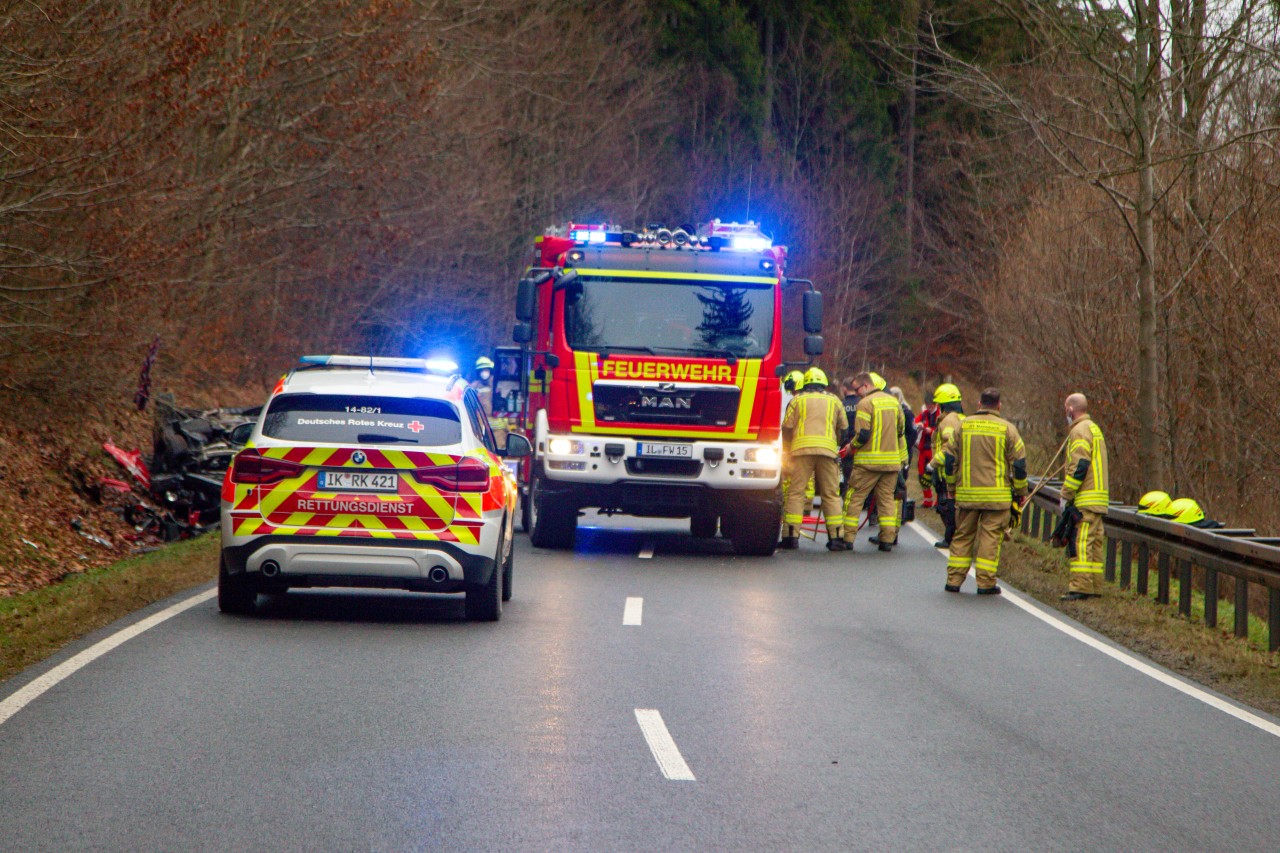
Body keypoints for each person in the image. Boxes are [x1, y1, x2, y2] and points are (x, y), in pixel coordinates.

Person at [944, 387, 1027, 594]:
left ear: (979, 404)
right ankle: (985, 583)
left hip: (967, 495)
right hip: (996, 498)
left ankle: (953, 581)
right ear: (999, 406)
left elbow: (949, 459)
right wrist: (1020, 492)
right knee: (990, 539)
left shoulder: (962, 426)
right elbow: (1019, 465)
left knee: (963, 536)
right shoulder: (1008, 429)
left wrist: (951, 487)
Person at [780, 367, 848, 550]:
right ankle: (836, 538)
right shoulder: (835, 401)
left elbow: (786, 428)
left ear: (806, 384)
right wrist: (837, 446)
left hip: (801, 451)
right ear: (824, 384)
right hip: (827, 451)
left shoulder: (797, 400)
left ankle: (790, 536)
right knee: (831, 494)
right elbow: (844, 428)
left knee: (796, 492)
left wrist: (787, 450)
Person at [840, 372, 906, 552]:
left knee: (854, 498)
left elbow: (863, 435)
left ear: (866, 386)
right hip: (891, 463)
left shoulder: (865, 404)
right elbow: (901, 430)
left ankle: (847, 538)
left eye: (858, 389)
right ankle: (886, 540)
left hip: (868, 463)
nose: (857, 393)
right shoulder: (894, 402)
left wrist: (850, 447)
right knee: (886, 502)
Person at [1058, 393, 1108, 601]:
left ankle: (1080, 587)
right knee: (1095, 545)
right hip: (1099, 498)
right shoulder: (1093, 428)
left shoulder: (1079, 431)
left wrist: (1066, 494)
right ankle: (1095, 587)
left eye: (1065, 409)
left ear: (1071, 409)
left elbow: (1079, 465)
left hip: (1086, 498)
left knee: (1081, 542)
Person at [929, 383, 965, 548]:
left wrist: (932, 465)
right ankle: (954, 536)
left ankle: (950, 538)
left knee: (946, 506)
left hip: (946, 471)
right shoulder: (961, 418)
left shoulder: (949, 420)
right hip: (958, 470)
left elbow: (949, 447)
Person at [915, 398, 940, 508]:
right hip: (923, 448)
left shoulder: (939, 414)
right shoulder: (924, 414)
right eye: (927, 405)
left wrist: (931, 430)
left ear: (935, 404)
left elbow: (940, 428)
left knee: (935, 475)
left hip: (933, 448)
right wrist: (919, 425)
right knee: (922, 475)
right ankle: (927, 500)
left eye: (930, 405)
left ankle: (938, 501)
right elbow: (915, 421)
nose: (928, 407)